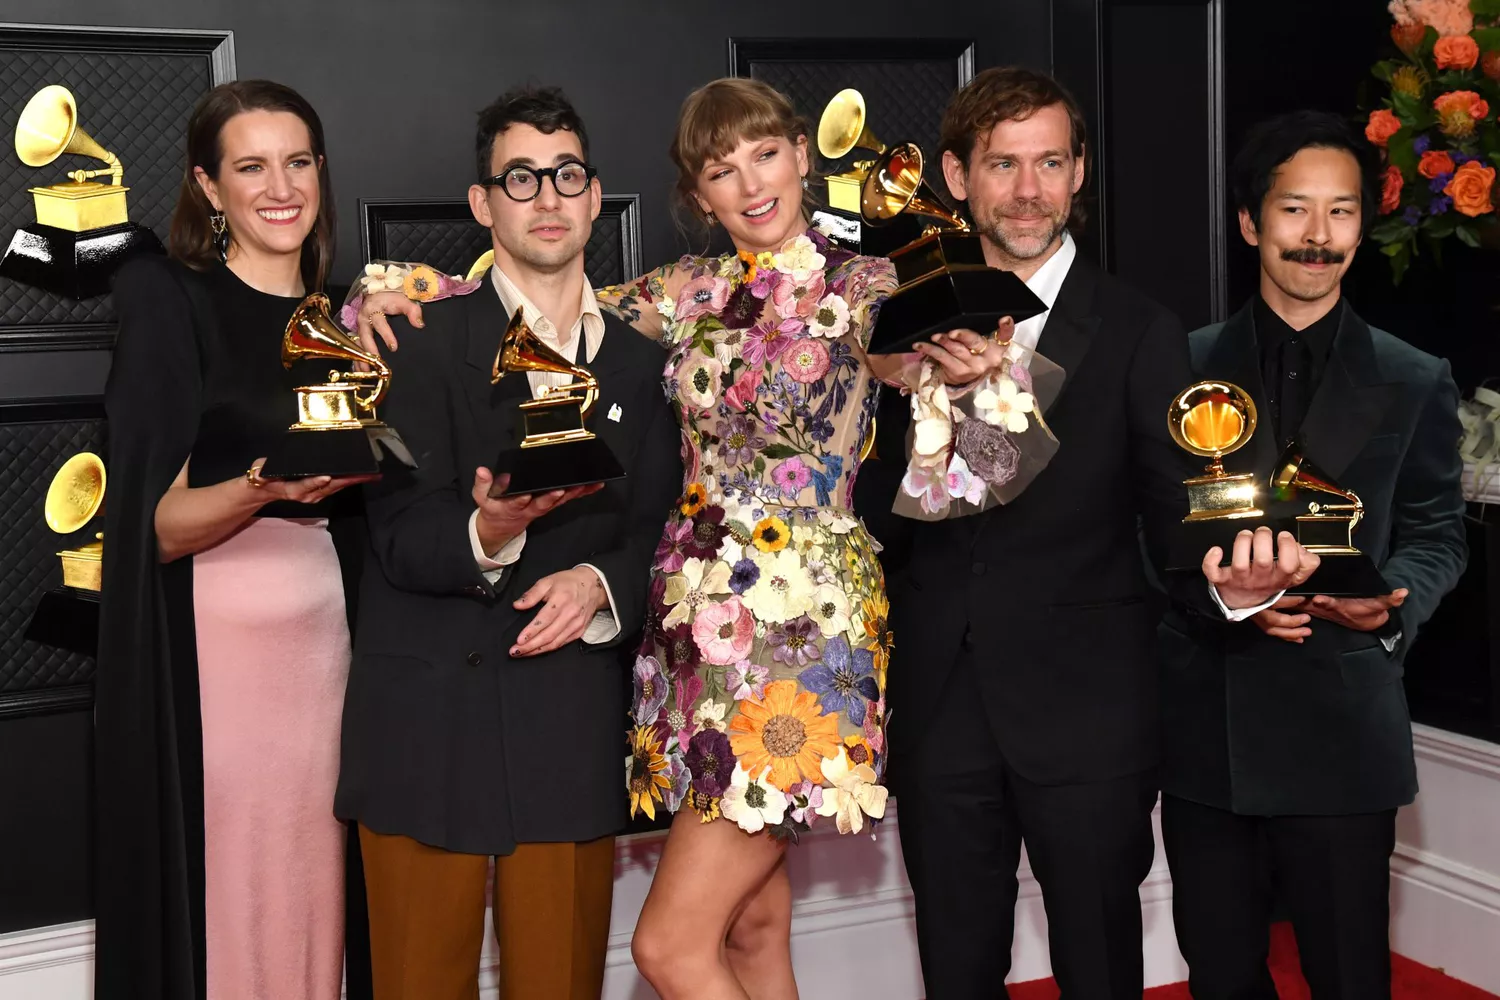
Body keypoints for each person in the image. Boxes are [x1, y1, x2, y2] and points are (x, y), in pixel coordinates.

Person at [349, 77, 1010, 1000]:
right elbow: (540, 294)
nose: (751, 184)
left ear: (801, 156)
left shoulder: (866, 287)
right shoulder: (681, 292)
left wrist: (966, 373)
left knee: (667, 948)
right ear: (698, 197)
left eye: (765, 154)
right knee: (751, 928)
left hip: (799, 634)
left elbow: (967, 425)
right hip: (690, 632)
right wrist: (401, 292)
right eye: (720, 170)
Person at [875, 66, 1314, 1000]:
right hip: (940, 700)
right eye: (1003, 164)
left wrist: (1235, 584)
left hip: (1089, 711)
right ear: (958, 177)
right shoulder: (899, 320)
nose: (1028, 189)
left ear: (1079, 176)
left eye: (1050, 162)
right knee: (955, 966)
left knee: (1100, 965)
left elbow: (1178, 512)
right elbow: (877, 511)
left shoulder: (1138, 328)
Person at [332, 86, 682, 1000]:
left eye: (567, 174)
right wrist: (488, 531)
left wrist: (599, 587)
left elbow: (659, 531)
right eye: (520, 179)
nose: (548, 197)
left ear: (596, 195)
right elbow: (399, 533)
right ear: (484, 204)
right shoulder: (413, 339)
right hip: (421, 730)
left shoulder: (647, 367)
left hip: (564, 728)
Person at [1158, 110, 1467, 1000]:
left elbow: (1438, 533)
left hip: (1343, 719)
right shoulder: (1180, 369)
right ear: (1253, 222)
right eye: (1296, 211)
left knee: (1349, 974)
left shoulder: (1414, 376)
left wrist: (1392, 599)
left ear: (1362, 227)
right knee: (1219, 974)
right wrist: (1225, 600)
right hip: (1208, 723)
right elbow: (1149, 538)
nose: (1318, 237)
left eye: (1340, 213)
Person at [97, 80, 369, 1000]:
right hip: (224, 656)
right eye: (251, 167)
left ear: (321, 175)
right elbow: (157, 528)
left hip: (330, 645)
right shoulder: (174, 300)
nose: (279, 186)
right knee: (234, 885)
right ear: (210, 188)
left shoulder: (352, 320)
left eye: (297, 162)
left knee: (319, 884)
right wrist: (265, 488)